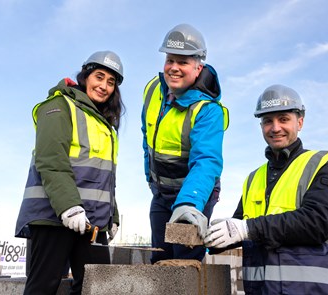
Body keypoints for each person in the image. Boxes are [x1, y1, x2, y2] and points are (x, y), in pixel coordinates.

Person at [204, 84, 328, 294]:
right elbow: (238, 228)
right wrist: (209, 234)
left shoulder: (323, 165)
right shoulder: (254, 179)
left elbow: (318, 222)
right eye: (267, 121)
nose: (275, 128)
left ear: (299, 122)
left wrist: (246, 229)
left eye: (283, 119)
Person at [15, 50, 124, 294]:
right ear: (85, 76)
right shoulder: (59, 105)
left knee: (97, 287)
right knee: (43, 286)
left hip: (92, 222)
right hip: (54, 217)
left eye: (111, 82)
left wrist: (112, 215)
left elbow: (104, 177)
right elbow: (51, 159)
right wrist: (68, 207)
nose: (104, 86)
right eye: (99, 76)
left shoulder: (104, 124)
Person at [141, 23, 228, 263]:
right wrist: (151, 180)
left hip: (194, 193)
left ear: (198, 68)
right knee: (159, 259)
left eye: (183, 62)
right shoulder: (152, 91)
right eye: (170, 60)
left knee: (184, 262)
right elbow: (147, 138)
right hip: (161, 192)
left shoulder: (208, 110)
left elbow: (206, 161)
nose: (174, 68)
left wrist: (189, 203)